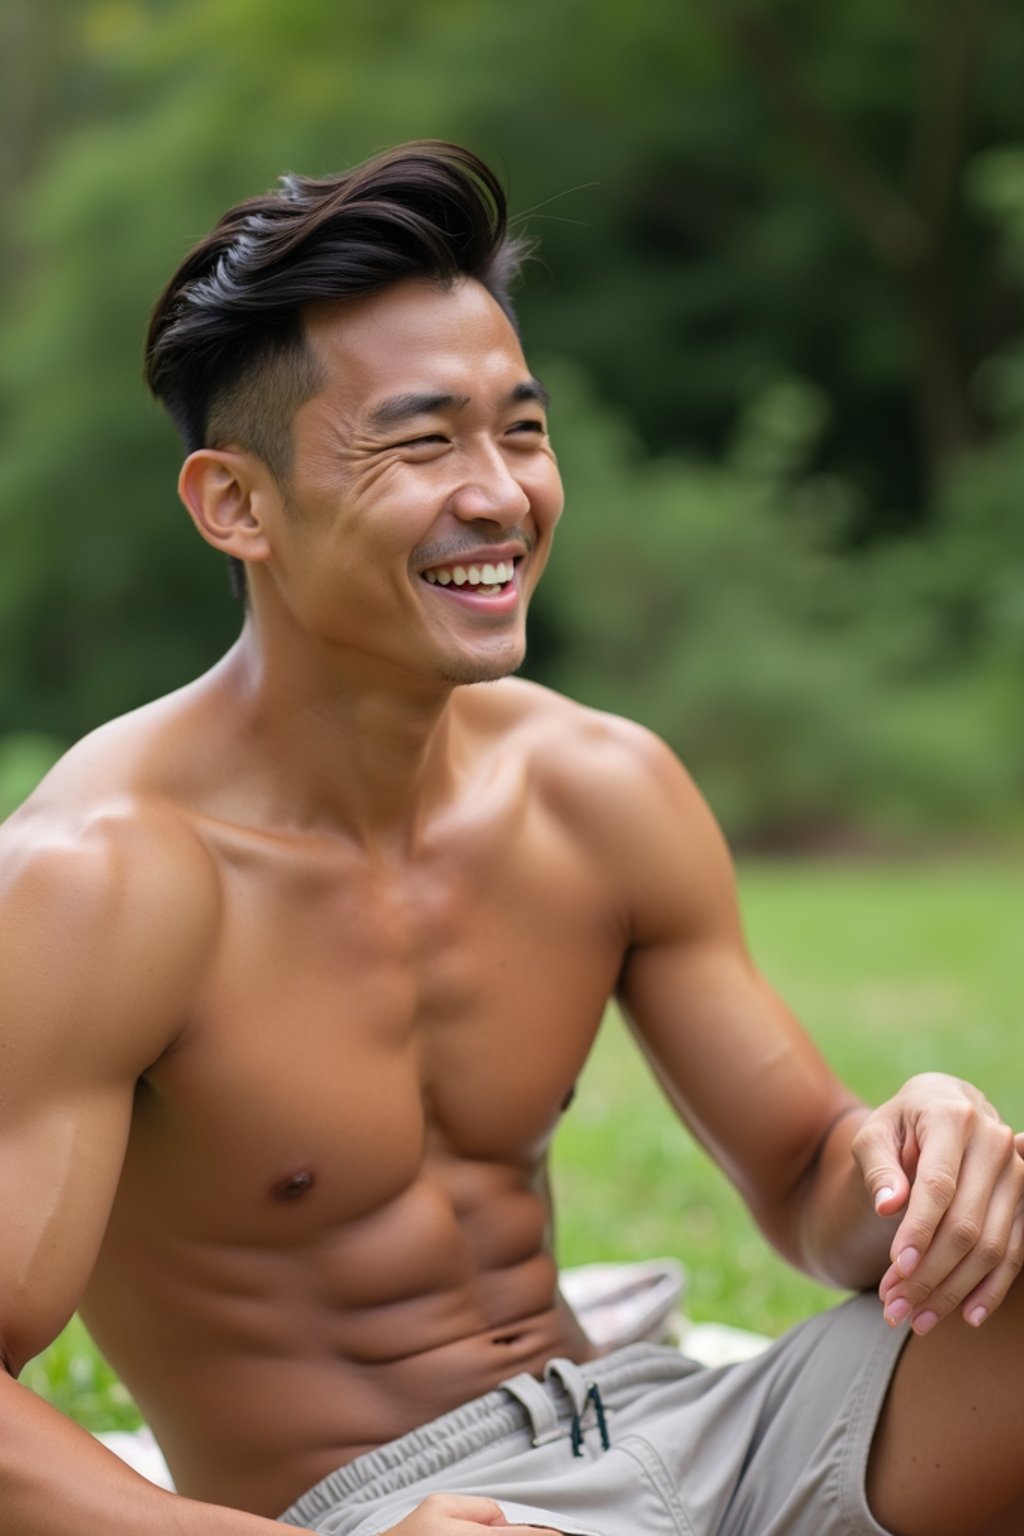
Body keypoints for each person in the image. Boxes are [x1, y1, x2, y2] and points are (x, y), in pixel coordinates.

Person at [1, 140, 1022, 1536]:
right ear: (236, 505)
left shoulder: (598, 787)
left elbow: (804, 1182)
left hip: (686, 1422)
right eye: (422, 442)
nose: (500, 495)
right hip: (393, 1510)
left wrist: (917, 1157)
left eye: (522, 431)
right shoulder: (104, 879)